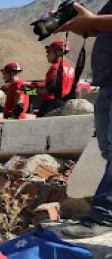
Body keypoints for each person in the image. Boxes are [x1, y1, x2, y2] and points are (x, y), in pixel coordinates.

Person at [59, 2, 112, 238]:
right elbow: (96, 28)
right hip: (107, 84)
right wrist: (74, 24)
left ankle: (104, 215)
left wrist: (90, 21)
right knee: (107, 150)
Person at [30, 40, 75, 118]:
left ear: (58, 52)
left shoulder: (55, 68)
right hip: (64, 104)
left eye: (49, 52)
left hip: (50, 104)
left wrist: (31, 92)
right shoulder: (70, 68)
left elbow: (50, 88)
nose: (47, 55)